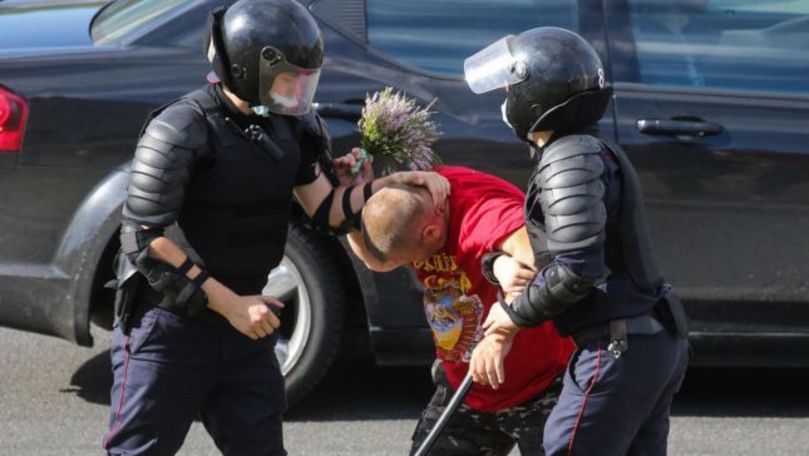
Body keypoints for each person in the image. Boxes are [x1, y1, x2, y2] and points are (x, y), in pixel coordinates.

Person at [102, 1, 449, 455]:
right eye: (289, 78)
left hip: (248, 331)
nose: (298, 91)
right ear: (247, 68)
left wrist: (385, 184)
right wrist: (232, 307)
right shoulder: (180, 128)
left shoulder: (294, 126)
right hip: (170, 329)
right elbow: (144, 239)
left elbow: (327, 209)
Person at [463, 27, 690, 455]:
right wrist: (497, 264)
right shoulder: (590, 149)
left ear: (536, 96)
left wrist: (511, 316)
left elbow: (575, 268)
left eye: (511, 89)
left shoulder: (569, 156)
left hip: (617, 345)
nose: (505, 101)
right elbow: (558, 254)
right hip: (650, 340)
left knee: (565, 446)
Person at [348, 165, 574, 455]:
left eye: (409, 261)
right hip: (466, 382)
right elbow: (379, 261)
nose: (409, 266)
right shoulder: (416, 196)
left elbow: (542, 261)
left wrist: (498, 334)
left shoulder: (481, 214)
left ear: (430, 232)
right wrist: (353, 207)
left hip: (540, 383)